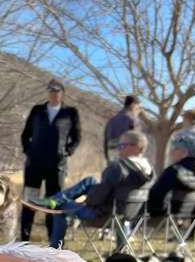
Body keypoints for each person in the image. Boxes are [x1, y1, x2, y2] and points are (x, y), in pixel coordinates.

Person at [30, 129, 154, 249]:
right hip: (128, 215)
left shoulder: (118, 167)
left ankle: (55, 250)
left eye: (122, 145)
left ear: (137, 147)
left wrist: (85, 202)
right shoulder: (150, 172)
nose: (118, 149)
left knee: (61, 208)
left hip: (102, 215)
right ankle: (54, 200)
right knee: (91, 181)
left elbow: (98, 197)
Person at [20, 79, 80, 243]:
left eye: (57, 91)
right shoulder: (38, 110)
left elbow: (76, 138)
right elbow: (26, 134)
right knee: (30, 201)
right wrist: (29, 151)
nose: (53, 93)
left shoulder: (70, 113)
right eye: (51, 91)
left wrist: (66, 152)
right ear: (48, 92)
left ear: (62, 93)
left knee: (53, 202)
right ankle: (24, 239)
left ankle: (53, 239)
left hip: (56, 165)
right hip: (35, 164)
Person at [147, 130, 195, 218]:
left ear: (185, 152)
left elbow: (157, 196)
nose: (171, 152)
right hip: (193, 215)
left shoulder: (174, 170)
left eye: (175, 148)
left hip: (166, 215)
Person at [104, 96, 142, 160]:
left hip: (111, 156)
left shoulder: (111, 120)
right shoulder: (133, 120)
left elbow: (105, 143)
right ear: (133, 105)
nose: (139, 110)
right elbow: (138, 142)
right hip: (127, 158)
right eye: (139, 107)